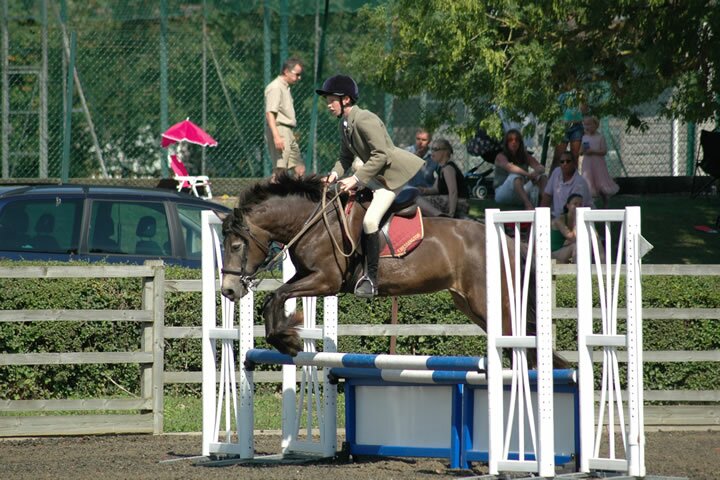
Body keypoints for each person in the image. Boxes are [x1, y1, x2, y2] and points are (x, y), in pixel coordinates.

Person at [316, 74, 423, 298]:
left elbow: (381, 155)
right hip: (374, 177)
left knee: (370, 220)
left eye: (330, 100)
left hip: (390, 179)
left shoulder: (364, 119)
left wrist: (355, 179)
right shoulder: (345, 124)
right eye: (327, 100)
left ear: (345, 99)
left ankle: (371, 279)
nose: (328, 105)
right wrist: (333, 175)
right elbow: (344, 158)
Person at [264, 57, 305, 180]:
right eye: (297, 74)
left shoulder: (285, 87)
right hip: (279, 129)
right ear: (286, 71)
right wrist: (276, 136)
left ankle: (297, 195)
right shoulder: (275, 87)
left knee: (299, 167)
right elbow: (270, 113)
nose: (299, 77)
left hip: (288, 131)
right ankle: (271, 197)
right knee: (280, 171)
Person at [493, 129, 547, 210]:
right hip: (503, 193)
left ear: (520, 143)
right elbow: (510, 168)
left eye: (517, 140)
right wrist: (528, 175)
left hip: (522, 190)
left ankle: (545, 205)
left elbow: (541, 168)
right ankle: (528, 205)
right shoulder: (500, 156)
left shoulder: (525, 155)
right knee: (515, 176)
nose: (514, 142)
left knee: (542, 176)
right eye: (510, 140)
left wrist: (536, 172)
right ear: (506, 143)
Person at [416, 138, 469, 218]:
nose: (432, 152)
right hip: (448, 200)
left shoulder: (448, 169)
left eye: (436, 149)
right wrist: (422, 190)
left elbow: (453, 192)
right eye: (431, 149)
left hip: (460, 203)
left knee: (416, 200)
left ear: (445, 152)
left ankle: (440, 216)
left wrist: (452, 213)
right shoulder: (441, 168)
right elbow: (435, 189)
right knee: (416, 198)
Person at [540, 150, 593, 219]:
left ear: (574, 163)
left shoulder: (580, 183)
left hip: (580, 219)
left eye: (568, 161)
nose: (565, 164)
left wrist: (557, 223)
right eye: (562, 162)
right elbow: (547, 196)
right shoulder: (556, 172)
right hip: (558, 219)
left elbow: (574, 211)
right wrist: (542, 217)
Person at [580, 115, 619, 208]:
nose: (587, 127)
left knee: (601, 184)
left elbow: (604, 151)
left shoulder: (600, 137)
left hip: (598, 164)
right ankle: (590, 204)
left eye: (589, 124)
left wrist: (593, 151)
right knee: (588, 182)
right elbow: (580, 151)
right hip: (587, 164)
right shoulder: (584, 137)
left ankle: (605, 202)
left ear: (595, 125)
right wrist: (583, 151)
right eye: (585, 125)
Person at [552, 91, 588, 172]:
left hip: (577, 125)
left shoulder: (579, 91)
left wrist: (582, 99)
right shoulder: (558, 87)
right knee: (558, 156)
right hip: (561, 126)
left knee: (575, 156)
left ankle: (574, 182)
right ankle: (553, 182)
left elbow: (584, 110)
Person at [551, 193, 583, 263]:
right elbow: (572, 237)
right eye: (575, 204)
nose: (578, 207)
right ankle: (576, 271)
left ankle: (604, 263)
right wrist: (576, 220)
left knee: (595, 239)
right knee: (576, 246)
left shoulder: (582, 221)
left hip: (566, 249)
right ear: (568, 206)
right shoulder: (559, 220)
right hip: (554, 254)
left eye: (580, 205)